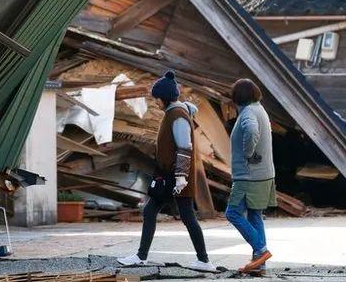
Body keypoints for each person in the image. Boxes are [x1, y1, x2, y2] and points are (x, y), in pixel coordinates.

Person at [118, 71, 217, 273]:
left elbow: (184, 147)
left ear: (163, 98)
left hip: (176, 177)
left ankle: (204, 260)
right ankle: (142, 256)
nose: (155, 103)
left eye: (156, 99)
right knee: (153, 211)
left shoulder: (178, 116)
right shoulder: (174, 113)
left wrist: (180, 177)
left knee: (186, 216)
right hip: (169, 175)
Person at [225, 78, 276, 274]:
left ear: (238, 97)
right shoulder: (259, 108)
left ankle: (261, 251)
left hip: (249, 176)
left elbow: (251, 130)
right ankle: (259, 264)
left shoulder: (248, 113)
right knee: (255, 214)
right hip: (264, 173)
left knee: (232, 213)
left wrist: (247, 153)